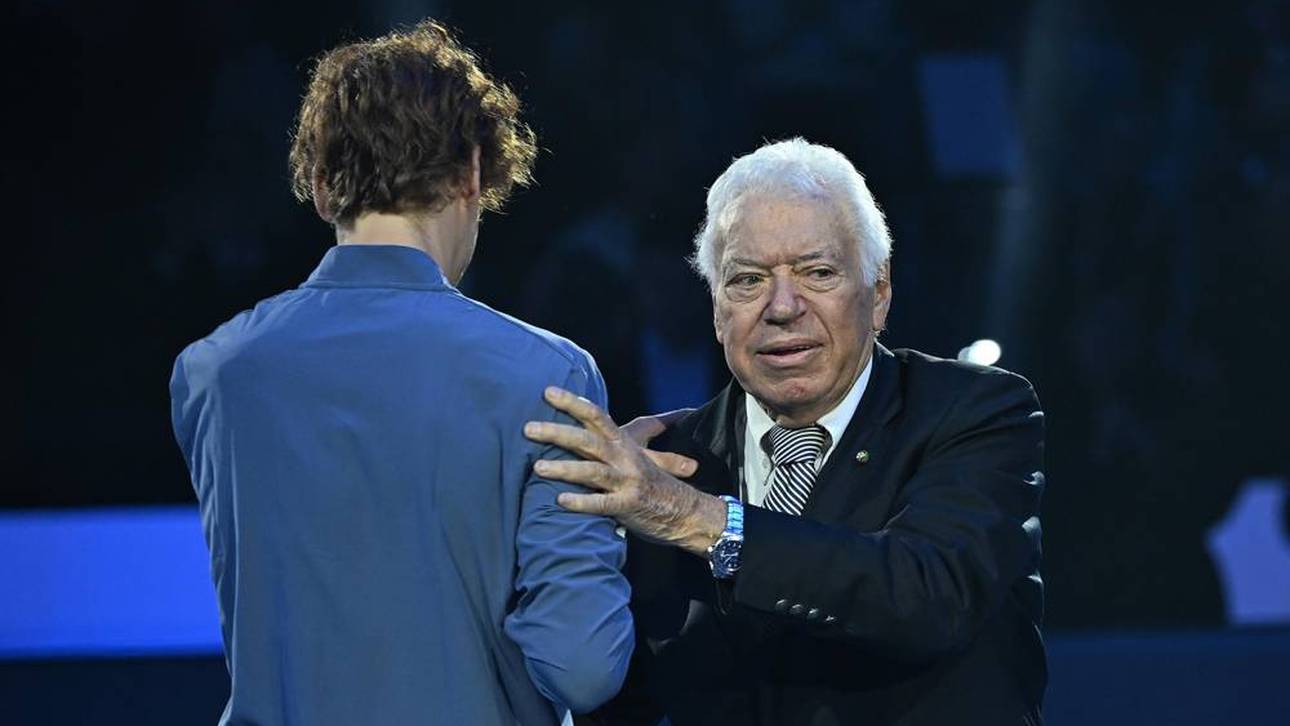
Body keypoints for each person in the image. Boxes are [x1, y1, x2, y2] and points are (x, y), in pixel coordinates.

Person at [169, 21, 636, 726]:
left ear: (323, 189)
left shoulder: (213, 373)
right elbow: (584, 667)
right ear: (475, 175)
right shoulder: (547, 375)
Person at [524, 138, 1047, 725]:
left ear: (879, 293)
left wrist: (696, 520)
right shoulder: (665, 464)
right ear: (718, 309)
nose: (782, 306)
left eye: (817, 272)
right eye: (747, 281)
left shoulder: (974, 413)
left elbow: (928, 594)